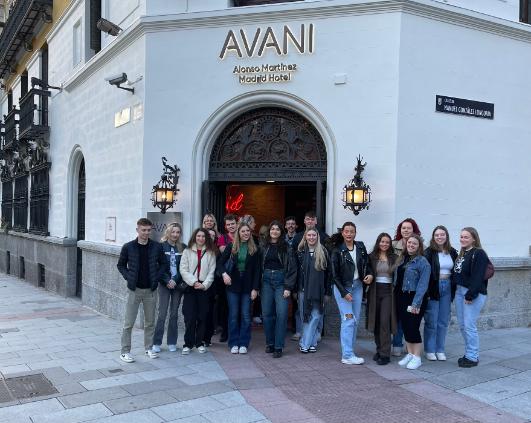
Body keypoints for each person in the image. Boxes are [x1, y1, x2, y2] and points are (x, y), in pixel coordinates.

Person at [117, 218, 169, 363]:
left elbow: (164, 264)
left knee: (150, 322)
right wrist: (129, 277)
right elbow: (120, 265)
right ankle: (125, 351)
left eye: (148, 230)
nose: (146, 233)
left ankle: (149, 348)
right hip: (134, 290)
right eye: (143, 230)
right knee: (129, 323)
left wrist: (157, 278)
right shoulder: (128, 247)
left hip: (150, 290)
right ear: (137, 230)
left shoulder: (156, 247)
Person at [331, 222, 373, 365]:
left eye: (352, 231)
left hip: (358, 287)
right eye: (347, 231)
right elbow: (334, 275)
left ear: (355, 233)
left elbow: (367, 265)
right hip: (343, 289)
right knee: (348, 319)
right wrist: (344, 293)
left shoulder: (360, 246)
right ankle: (347, 355)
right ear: (342, 233)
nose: (349, 234)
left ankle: (350, 351)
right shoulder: (337, 250)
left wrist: (370, 275)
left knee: (354, 320)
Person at [218, 223, 260, 354]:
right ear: (238, 233)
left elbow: (257, 271)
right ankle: (233, 343)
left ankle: (244, 343)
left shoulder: (255, 249)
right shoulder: (231, 246)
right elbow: (220, 263)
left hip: (248, 287)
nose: (246, 233)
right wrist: (224, 274)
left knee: (246, 316)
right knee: (233, 316)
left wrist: (255, 288)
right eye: (243, 231)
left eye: (248, 231)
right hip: (233, 285)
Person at [453, 227, 489, 368]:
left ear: (474, 238)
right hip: (459, 292)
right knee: (463, 326)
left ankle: (473, 357)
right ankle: (469, 353)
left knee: (469, 325)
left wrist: (470, 294)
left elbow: (478, 276)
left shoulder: (479, 253)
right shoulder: (463, 253)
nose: (463, 239)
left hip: (472, 293)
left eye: (466, 237)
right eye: (461, 236)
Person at [260, 221, 296, 358]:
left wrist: (288, 287)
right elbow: (259, 266)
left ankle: (278, 346)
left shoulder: (287, 247)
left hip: (282, 281)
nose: (274, 231)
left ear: (281, 232)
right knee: (267, 314)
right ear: (269, 231)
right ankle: (270, 343)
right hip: (266, 281)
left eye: (277, 229)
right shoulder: (263, 246)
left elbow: (292, 269)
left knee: (281, 314)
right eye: (272, 229)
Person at [394, 234, 430, 370]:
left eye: (414, 243)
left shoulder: (423, 262)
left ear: (419, 246)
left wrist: (416, 304)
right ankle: (410, 353)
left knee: (413, 326)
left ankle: (417, 357)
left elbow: (422, 285)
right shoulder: (402, 259)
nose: (411, 245)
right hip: (402, 297)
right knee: (405, 326)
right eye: (409, 243)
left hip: (415, 298)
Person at [291, 210, 328, 341]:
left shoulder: (324, 237)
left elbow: (327, 267)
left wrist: (327, 289)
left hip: (318, 282)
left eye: (313, 219)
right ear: (305, 221)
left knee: (318, 310)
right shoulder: (297, 237)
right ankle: (301, 331)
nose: (310, 221)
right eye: (308, 219)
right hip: (302, 282)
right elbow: (294, 264)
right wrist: (294, 286)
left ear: (316, 221)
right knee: (301, 309)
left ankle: (317, 332)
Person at [179, 228, 217, 355]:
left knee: (202, 316)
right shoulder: (187, 251)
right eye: (198, 236)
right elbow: (183, 270)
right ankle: (188, 344)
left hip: (204, 289)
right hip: (191, 287)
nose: (201, 238)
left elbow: (212, 272)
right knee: (190, 317)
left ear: (206, 238)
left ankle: (199, 342)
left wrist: (204, 285)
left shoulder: (211, 252)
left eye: (203, 236)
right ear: (195, 237)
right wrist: (194, 282)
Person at [423, 225, 458, 361]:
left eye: (442, 234)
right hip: (434, 287)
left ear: (446, 236)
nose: (439, 237)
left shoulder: (452, 252)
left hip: (448, 286)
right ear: (433, 237)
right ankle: (430, 349)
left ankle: (440, 349)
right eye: (437, 235)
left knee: (443, 320)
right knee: (431, 320)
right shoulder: (429, 252)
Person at [152, 223, 186, 353]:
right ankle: (156, 342)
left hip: (177, 285)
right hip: (164, 284)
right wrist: (167, 280)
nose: (175, 235)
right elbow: (158, 266)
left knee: (173, 314)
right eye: (173, 232)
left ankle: (172, 341)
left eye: (178, 232)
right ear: (168, 232)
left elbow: (184, 266)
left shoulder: (183, 248)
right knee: (162, 314)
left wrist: (175, 280)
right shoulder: (160, 247)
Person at [391, 218, 421, 357]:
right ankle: (397, 343)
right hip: (395, 286)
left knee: (407, 318)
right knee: (397, 317)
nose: (406, 230)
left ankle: (409, 348)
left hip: (411, 289)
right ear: (400, 230)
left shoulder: (420, 247)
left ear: (414, 230)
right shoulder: (393, 245)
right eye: (403, 228)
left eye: (409, 228)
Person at [367, 233, 398, 365]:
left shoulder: (395, 257)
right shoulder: (371, 257)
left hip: (388, 293)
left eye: (387, 242)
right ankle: (379, 350)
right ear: (378, 242)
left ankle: (385, 354)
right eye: (382, 241)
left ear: (390, 244)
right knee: (376, 322)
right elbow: (367, 271)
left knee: (385, 322)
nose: (384, 244)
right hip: (374, 291)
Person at [216, 214, 238, 342]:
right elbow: (225, 252)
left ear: (237, 223)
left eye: (232, 224)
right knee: (225, 305)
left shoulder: (243, 235)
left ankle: (235, 330)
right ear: (225, 226)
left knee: (237, 307)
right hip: (226, 275)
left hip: (240, 275)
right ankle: (225, 331)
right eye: (228, 224)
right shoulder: (223, 238)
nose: (231, 226)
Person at [203, 229, 220, 347]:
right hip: (199, 284)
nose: (211, 237)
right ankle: (199, 336)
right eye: (209, 235)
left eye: (213, 235)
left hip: (212, 285)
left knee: (209, 313)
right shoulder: (198, 248)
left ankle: (207, 339)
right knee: (200, 313)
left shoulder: (217, 251)